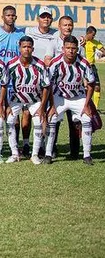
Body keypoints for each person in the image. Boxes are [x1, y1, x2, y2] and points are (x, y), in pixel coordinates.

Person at [45, 35, 96, 165]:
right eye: (68, 48)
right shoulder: (55, 63)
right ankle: (48, 154)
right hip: (59, 96)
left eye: (73, 48)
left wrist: (86, 104)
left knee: (86, 119)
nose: (71, 51)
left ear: (77, 49)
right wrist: (51, 104)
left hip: (78, 97)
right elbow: (49, 84)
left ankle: (86, 155)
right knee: (51, 120)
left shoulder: (83, 63)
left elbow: (91, 84)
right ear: (63, 48)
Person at [5, 36, 50, 164]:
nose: (26, 49)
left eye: (29, 47)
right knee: (10, 121)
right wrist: (7, 105)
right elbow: (4, 85)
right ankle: (14, 153)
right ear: (19, 48)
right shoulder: (11, 65)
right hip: (16, 100)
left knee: (38, 122)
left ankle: (34, 154)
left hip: (35, 100)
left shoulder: (40, 65)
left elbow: (46, 87)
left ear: (33, 48)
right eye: (24, 47)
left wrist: (42, 107)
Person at [0, 5, 26, 157]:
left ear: (15, 17)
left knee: (13, 115)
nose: (10, 17)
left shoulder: (21, 35)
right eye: (8, 15)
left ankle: (14, 145)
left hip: (15, 81)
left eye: (13, 15)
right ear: (2, 17)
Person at [50, 16, 82, 159]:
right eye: (65, 25)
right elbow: (47, 60)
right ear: (59, 26)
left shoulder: (78, 44)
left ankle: (74, 150)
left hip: (74, 88)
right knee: (55, 120)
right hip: (58, 89)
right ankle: (52, 148)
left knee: (75, 121)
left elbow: (82, 64)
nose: (68, 27)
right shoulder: (53, 42)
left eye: (70, 25)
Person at [84, 26, 105, 108]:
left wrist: (101, 54)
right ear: (88, 33)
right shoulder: (81, 41)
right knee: (83, 88)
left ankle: (95, 108)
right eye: (93, 35)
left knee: (96, 87)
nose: (93, 37)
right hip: (82, 67)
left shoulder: (95, 42)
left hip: (91, 67)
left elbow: (104, 51)